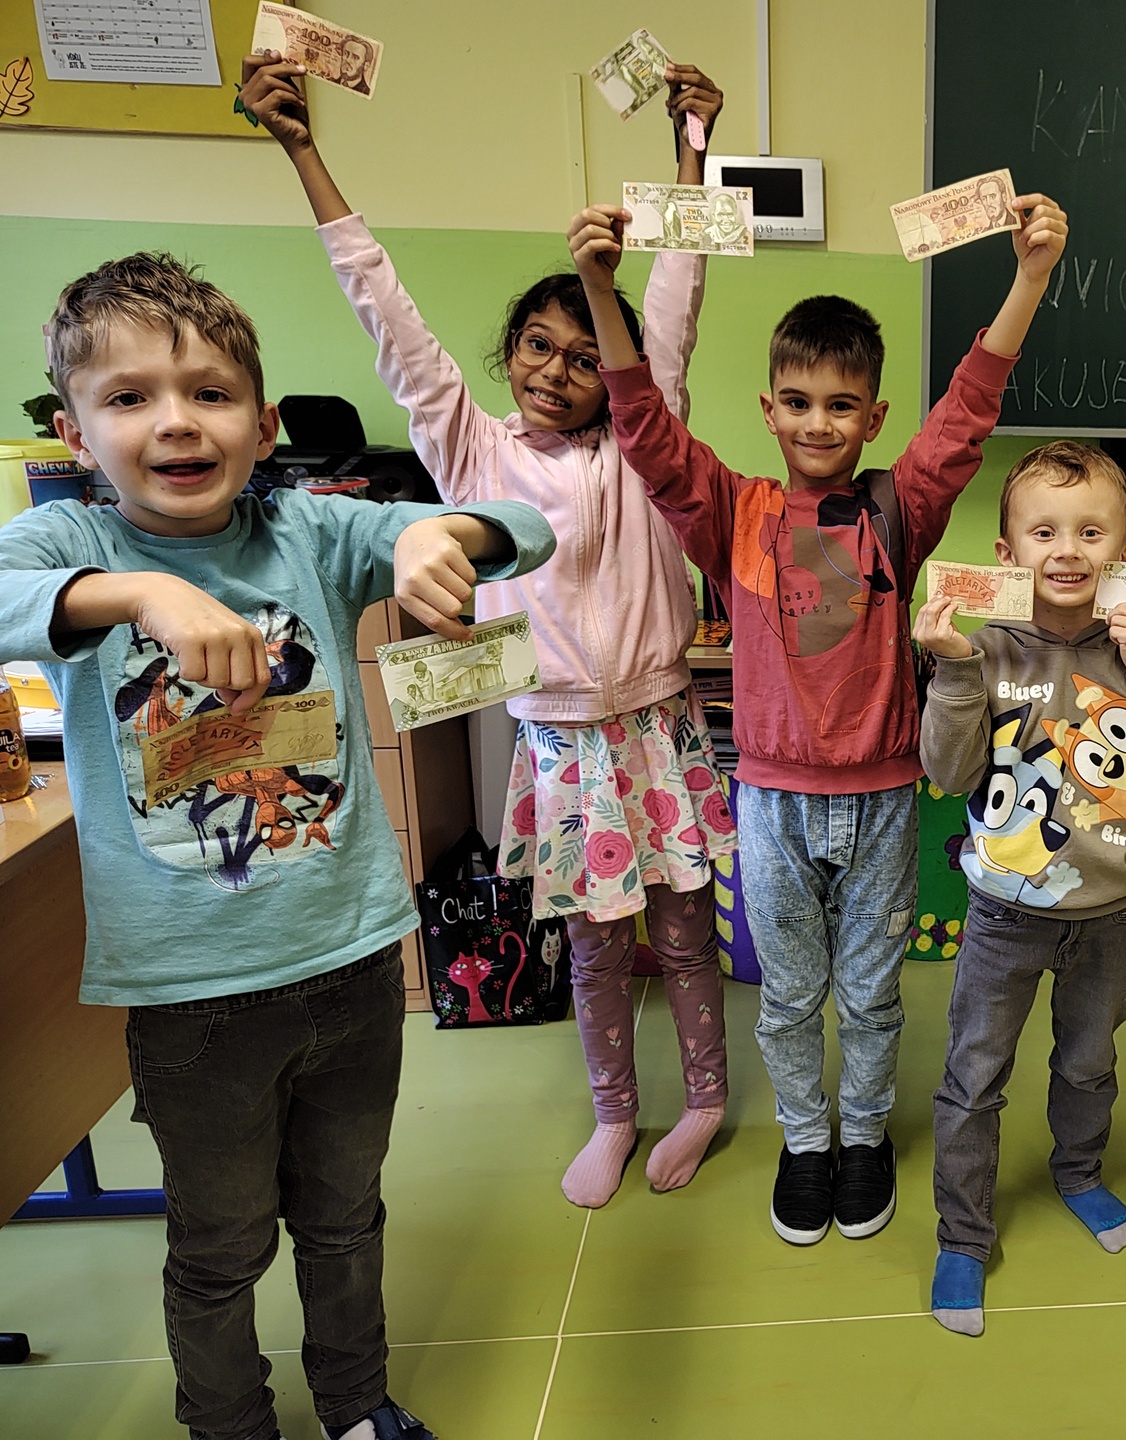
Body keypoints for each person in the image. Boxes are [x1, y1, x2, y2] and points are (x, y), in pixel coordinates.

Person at [0, 253, 553, 1440]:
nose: (176, 421)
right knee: (220, 1245)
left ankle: (355, 1404)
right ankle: (230, 1424)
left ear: (262, 424)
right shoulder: (64, 543)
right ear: (75, 431)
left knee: (345, 1218)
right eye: (130, 397)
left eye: (210, 393)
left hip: (350, 966)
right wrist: (136, 597)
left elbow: (526, 527)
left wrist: (441, 534)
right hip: (191, 995)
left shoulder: (309, 529)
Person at [240, 54, 740, 1204]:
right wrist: (304, 150)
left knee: (684, 933)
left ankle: (706, 1098)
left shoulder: (644, 435)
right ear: (507, 355)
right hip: (559, 741)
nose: (560, 370)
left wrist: (691, 148)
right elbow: (384, 307)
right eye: (538, 347)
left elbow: (676, 295)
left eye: (586, 354)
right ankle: (613, 1114)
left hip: (657, 724)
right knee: (596, 946)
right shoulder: (470, 447)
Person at [569, 185, 1069, 1246]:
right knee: (790, 998)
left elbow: (968, 412)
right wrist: (601, 294)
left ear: (874, 418)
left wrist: (1028, 278)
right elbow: (646, 430)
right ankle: (806, 1142)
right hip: (772, 806)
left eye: (842, 406)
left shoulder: (900, 507)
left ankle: (863, 1136)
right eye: (796, 402)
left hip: (884, 802)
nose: (817, 423)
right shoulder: (734, 512)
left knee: (874, 997)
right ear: (768, 409)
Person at [915, 442, 1126, 1335]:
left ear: (1125, 552)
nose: (1068, 550)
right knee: (974, 1076)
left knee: (1089, 1061)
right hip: (1003, 914)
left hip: (1114, 915)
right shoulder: (982, 647)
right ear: (1006, 553)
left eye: (1092, 532)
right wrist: (954, 670)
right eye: (1043, 531)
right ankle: (963, 1233)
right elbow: (946, 772)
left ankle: (1078, 1172)